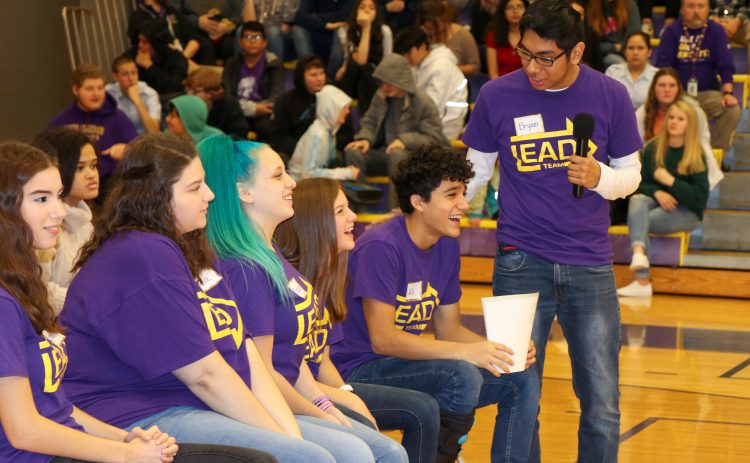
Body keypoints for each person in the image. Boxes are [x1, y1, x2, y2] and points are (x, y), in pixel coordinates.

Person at [59, 133, 347, 463]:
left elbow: (245, 350)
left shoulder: (191, 247)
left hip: (182, 404)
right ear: (157, 197)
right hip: (135, 415)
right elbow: (205, 376)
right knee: (312, 459)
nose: (210, 195)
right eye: (195, 188)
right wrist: (285, 444)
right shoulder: (144, 252)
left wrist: (289, 436)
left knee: (330, 452)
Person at [0, 140, 274, 463]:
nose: (58, 211)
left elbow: (59, 407)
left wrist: (128, 438)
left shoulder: (23, 288)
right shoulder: (4, 303)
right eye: (41, 199)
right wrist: (125, 454)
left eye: (58, 196)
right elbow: (24, 431)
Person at [461, 0, 643, 460]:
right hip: (519, 261)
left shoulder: (610, 96)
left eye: (546, 58)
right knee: (519, 395)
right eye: (524, 53)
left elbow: (631, 177)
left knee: (601, 402)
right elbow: (474, 172)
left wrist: (601, 177)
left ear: (576, 52)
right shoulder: (497, 95)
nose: (532, 67)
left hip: (590, 265)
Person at [199, 134, 409, 463]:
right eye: (278, 174)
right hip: (266, 406)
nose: (292, 182)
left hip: (291, 397)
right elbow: (263, 373)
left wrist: (328, 403)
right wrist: (320, 412)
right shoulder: (244, 268)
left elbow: (295, 360)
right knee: (359, 453)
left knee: (389, 451)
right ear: (245, 192)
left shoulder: (269, 252)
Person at [330, 145, 538, 463]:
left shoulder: (446, 246)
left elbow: (449, 329)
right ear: (418, 202)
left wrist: (498, 349)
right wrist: (466, 353)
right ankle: (446, 455)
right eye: (452, 195)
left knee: (519, 376)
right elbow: (383, 339)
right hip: (357, 371)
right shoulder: (381, 246)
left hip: (405, 366)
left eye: (464, 193)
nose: (464, 205)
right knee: (460, 374)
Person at [273, 177, 442, 463]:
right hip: (293, 394)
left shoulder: (328, 278)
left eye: (348, 208)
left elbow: (322, 361)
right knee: (392, 435)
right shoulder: (289, 282)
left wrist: (346, 393)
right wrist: (339, 400)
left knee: (421, 409)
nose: (353, 217)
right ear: (316, 222)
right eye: (341, 211)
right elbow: (289, 369)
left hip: (318, 387)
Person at [617, 100, 709, 297]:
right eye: (672, 118)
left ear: (689, 124)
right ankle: (639, 256)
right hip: (655, 203)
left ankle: (642, 281)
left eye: (680, 119)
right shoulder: (653, 148)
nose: (674, 122)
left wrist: (670, 182)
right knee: (637, 201)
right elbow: (640, 183)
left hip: (686, 211)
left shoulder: (695, 153)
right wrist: (656, 192)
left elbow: (699, 198)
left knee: (640, 221)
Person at [344, 54, 447, 206]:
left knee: (397, 154)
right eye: (383, 83)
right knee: (353, 152)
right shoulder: (380, 96)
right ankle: (358, 209)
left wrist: (404, 141)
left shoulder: (423, 102)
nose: (385, 87)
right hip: (386, 154)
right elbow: (370, 121)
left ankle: (396, 212)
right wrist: (365, 138)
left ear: (402, 81)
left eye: (389, 83)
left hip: (414, 160)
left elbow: (434, 137)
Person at [655, 0, 740, 152]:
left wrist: (728, 93)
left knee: (732, 110)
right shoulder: (671, 31)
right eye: (690, 6)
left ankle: (712, 155)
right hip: (678, 94)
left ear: (708, 9)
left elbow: (726, 66)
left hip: (707, 93)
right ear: (681, 9)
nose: (696, 11)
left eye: (701, 6)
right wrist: (670, 92)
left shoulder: (717, 31)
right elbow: (663, 68)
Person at [32, 128, 98, 313]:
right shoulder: (43, 226)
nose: (91, 174)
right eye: (80, 168)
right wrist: (88, 301)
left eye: (93, 165)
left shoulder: (87, 224)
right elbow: (40, 291)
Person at [48, 64, 137, 194]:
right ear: (75, 90)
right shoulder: (61, 121)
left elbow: (138, 151)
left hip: (108, 188)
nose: (96, 94)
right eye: (89, 89)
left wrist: (126, 150)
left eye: (100, 88)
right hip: (70, 188)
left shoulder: (118, 118)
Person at [636, 67, 723, 189]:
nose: (667, 90)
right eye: (662, 85)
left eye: (672, 85)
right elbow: (636, 149)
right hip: (652, 170)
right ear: (653, 88)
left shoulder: (694, 111)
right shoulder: (642, 113)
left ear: (679, 89)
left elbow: (700, 145)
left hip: (685, 170)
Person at [270, 57, 355, 162]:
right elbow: (279, 136)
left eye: (322, 73)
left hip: (329, 149)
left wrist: (325, 144)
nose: (319, 78)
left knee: (336, 159)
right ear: (301, 77)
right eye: (313, 75)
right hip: (296, 151)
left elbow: (348, 134)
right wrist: (304, 149)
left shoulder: (335, 98)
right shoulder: (285, 101)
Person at [395, 26, 468, 141]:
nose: (406, 58)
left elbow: (433, 108)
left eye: (408, 52)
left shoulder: (441, 67)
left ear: (423, 47)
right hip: (426, 124)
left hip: (444, 128)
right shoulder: (418, 65)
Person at [222, 21, 284, 141]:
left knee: (267, 128)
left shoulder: (273, 64)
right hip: (236, 109)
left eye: (257, 37)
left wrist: (259, 109)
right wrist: (253, 109)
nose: (252, 41)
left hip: (263, 112)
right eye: (248, 37)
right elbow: (226, 94)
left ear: (264, 42)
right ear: (240, 42)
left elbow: (276, 97)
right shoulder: (232, 63)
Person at [288, 85, 360, 181]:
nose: (348, 111)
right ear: (332, 109)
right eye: (344, 108)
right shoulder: (317, 134)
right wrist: (345, 173)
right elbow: (308, 174)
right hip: (300, 187)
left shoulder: (328, 131)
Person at [334, 0, 393, 113]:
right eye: (362, 7)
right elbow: (359, 60)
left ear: (377, 13)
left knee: (366, 70)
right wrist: (366, 28)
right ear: (355, 11)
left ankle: (367, 122)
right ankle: (341, 117)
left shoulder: (385, 31)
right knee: (354, 66)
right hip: (353, 78)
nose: (366, 11)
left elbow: (387, 61)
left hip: (374, 79)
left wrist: (367, 27)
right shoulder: (346, 30)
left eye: (371, 8)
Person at [128, 0, 213, 66]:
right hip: (164, 63)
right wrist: (182, 62)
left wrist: (184, 58)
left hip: (184, 57)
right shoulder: (137, 18)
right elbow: (156, 50)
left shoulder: (171, 10)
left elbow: (193, 36)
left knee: (205, 44)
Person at [127, 18, 190, 95]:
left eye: (145, 42)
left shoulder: (177, 59)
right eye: (139, 40)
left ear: (157, 44)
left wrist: (149, 66)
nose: (140, 45)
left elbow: (175, 87)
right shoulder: (131, 55)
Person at [293, 0, 355, 77]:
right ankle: (311, 71)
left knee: (341, 29)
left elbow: (345, 16)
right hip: (317, 31)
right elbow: (299, 16)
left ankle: (329, 78)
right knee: (298, 29)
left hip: (336, 37)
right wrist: (325, 25)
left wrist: (315, 17)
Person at [418, 1, 481, 76]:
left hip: (454, 81)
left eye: (436, 27)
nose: (433, 32)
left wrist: (450, 69)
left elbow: (475, 67)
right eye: (428, 29)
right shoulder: (421, 36)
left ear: (444, 19)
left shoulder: (463, 35)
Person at [185, 67, 249, 140]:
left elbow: (239, 135)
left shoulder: (229, 104)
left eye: (194, 91)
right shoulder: (185, 103)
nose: (188, 94)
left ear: (210, 93)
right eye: (188, 89)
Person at [172, 0, 246, 63]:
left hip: (225, 32)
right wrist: (197, 21)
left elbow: (240, 16)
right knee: (205, 49)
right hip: (193, 32)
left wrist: (227, 25)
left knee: (231, 45)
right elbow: (174, 14)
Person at [106, 55, 162, 135]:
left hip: (146, 142)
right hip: (120, 142)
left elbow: (154, 132)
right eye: (125, 74)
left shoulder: (150, 94)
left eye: (133, 73)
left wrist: (138, 102)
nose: (131, 78)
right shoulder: (108, 94)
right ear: (115, 77)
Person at [605, 31, 658, 109]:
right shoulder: (613, 72)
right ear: (625, 51)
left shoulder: (657, 75)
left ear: (649, 52)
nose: (635, 52)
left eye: (640, 48)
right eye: (631, 48)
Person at [584, 0, 641, 70]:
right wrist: (614, 47)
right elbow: (592, 46)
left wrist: (623, 47)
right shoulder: (589, 7)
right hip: (601, 56)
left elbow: (634, 37)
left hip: (627, 51)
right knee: (617, 62)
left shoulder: (629, 5)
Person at [486, 0, 527, 79]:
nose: (515, 11)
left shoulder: (533, 36)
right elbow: (493, 72)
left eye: (519, 7)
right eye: (510, 7)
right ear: (503, 13)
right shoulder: (494, 35)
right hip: (500, 82)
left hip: (527, 83)